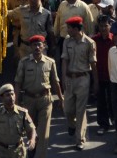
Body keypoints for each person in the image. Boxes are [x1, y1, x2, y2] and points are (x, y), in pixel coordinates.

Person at [13, 35, 63, 158]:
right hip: (29, 99)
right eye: (34, 45)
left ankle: (40, 155)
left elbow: (56, 82)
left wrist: (61, 99)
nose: (37, 47)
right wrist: (16, 101)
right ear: (30, 47)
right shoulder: (24, 62)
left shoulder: (50, 63)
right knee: (30, 129)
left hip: (45, 99)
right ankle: (32, 149)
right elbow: (18, 82)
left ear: (44, 46)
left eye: (39, 44)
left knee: (43, 131)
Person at [62, 15, 97, 150]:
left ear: (77, 29)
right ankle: (72, 125)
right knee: (68, 109)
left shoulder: (89, 43)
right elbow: (64, 60)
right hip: (70, 78)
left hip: (83, 78)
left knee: (80, 110)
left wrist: (96, 82)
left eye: (70, 28)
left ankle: (80, 139)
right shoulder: (67, 41)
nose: (68, 30)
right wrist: (63, 78)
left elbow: (93, 64)